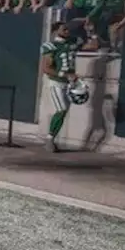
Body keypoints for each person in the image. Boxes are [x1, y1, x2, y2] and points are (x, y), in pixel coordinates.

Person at [41, 18, 95, 153]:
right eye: (63, 29)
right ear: (55, 31)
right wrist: (65, 75)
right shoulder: (50, 46)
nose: (67, 31)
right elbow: (46, 68)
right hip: (56, 82)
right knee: (61, 110)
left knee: (63, 112)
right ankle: (49, 138)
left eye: (67, 29)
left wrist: (90, 31)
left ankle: (51, 138)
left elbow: (93, 46)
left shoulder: (72, 42)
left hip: (70, 84)